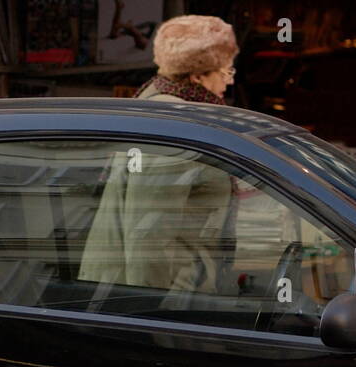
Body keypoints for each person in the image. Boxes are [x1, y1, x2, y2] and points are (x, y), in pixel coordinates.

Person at [78, 15, 238, 291]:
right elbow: (148, 235)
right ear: (198, 75)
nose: (230, 82)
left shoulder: (159, 102)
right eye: (226, 72)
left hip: (163, 288)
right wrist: (152, 316)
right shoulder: (175, 127)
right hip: (164, 297)